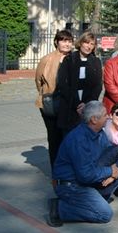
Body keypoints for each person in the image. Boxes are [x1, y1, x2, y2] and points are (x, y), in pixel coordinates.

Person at [48, 101, 118, 227]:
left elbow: (111, 154)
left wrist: (113, 173)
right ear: (93, 120)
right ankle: (59, 209)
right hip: (70, 185)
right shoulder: (79, 139)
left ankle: (92, 200)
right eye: (104, 115)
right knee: (105, 214)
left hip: (85, 180)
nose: (108, 117)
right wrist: (109, 171)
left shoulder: (99, 133)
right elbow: (85, 175)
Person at [35, 29, 74, 170]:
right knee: (54, 137)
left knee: (68, 137)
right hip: (50, 103)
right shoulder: (47, 59)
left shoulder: (74, 58)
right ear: (56, 42)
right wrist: (46, 94)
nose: (66, 44)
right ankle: (56, 171)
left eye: (69, 41)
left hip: (69, 104)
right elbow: (38, 80)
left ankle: (68, 168)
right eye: (63, 40)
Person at [55, 31, 102, 137]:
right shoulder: (69, 60)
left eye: (92, 44)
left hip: (88, 108)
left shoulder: (96, 62)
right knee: (69, 141)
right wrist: (77, 103)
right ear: (80, 43)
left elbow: (98, 85)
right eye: (86, 42)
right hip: (69, 107)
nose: (88, 46)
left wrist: (86, 104)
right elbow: (62, 83)